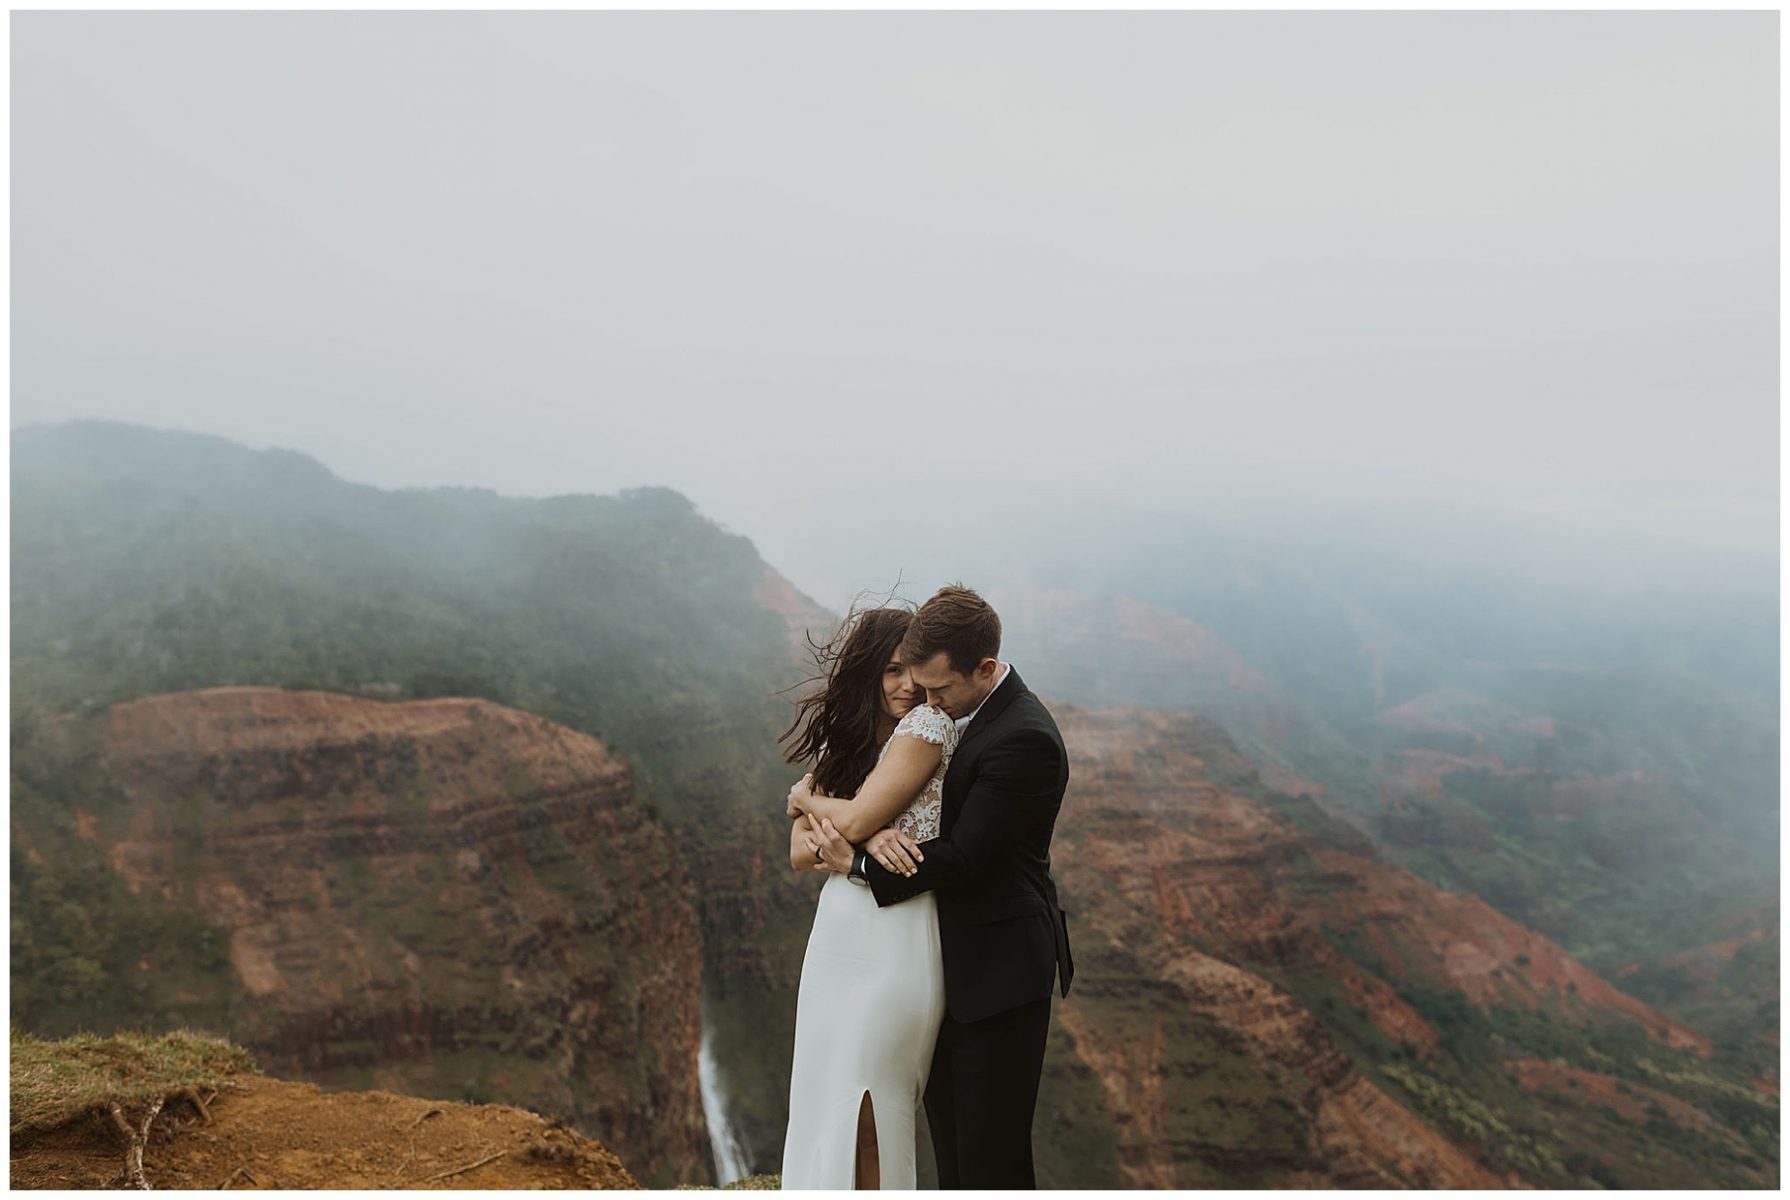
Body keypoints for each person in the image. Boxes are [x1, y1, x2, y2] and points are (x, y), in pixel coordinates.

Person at [799, 584, 1074, 1189]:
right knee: (953, 1146)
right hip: (942, 959)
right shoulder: (955, 713)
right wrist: (861, 827)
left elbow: (966, 857)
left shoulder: (1024, 737)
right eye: (916, 684)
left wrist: (857, 857)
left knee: (989, 1157)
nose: (926, 702)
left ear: (986, 667)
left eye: (939, 689)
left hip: (998, 969)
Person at [776, 601, 957, 1190]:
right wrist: (859, 827)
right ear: (869, 675)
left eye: (914, 670)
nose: (907, 685)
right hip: (838, 937)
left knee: (875, 1107)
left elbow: (838, 827)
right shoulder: (850, 750)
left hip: (899, 936)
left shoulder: (927, 731)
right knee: (829, 1097)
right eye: (890, 671)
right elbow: (801, 853)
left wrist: (816, 806)